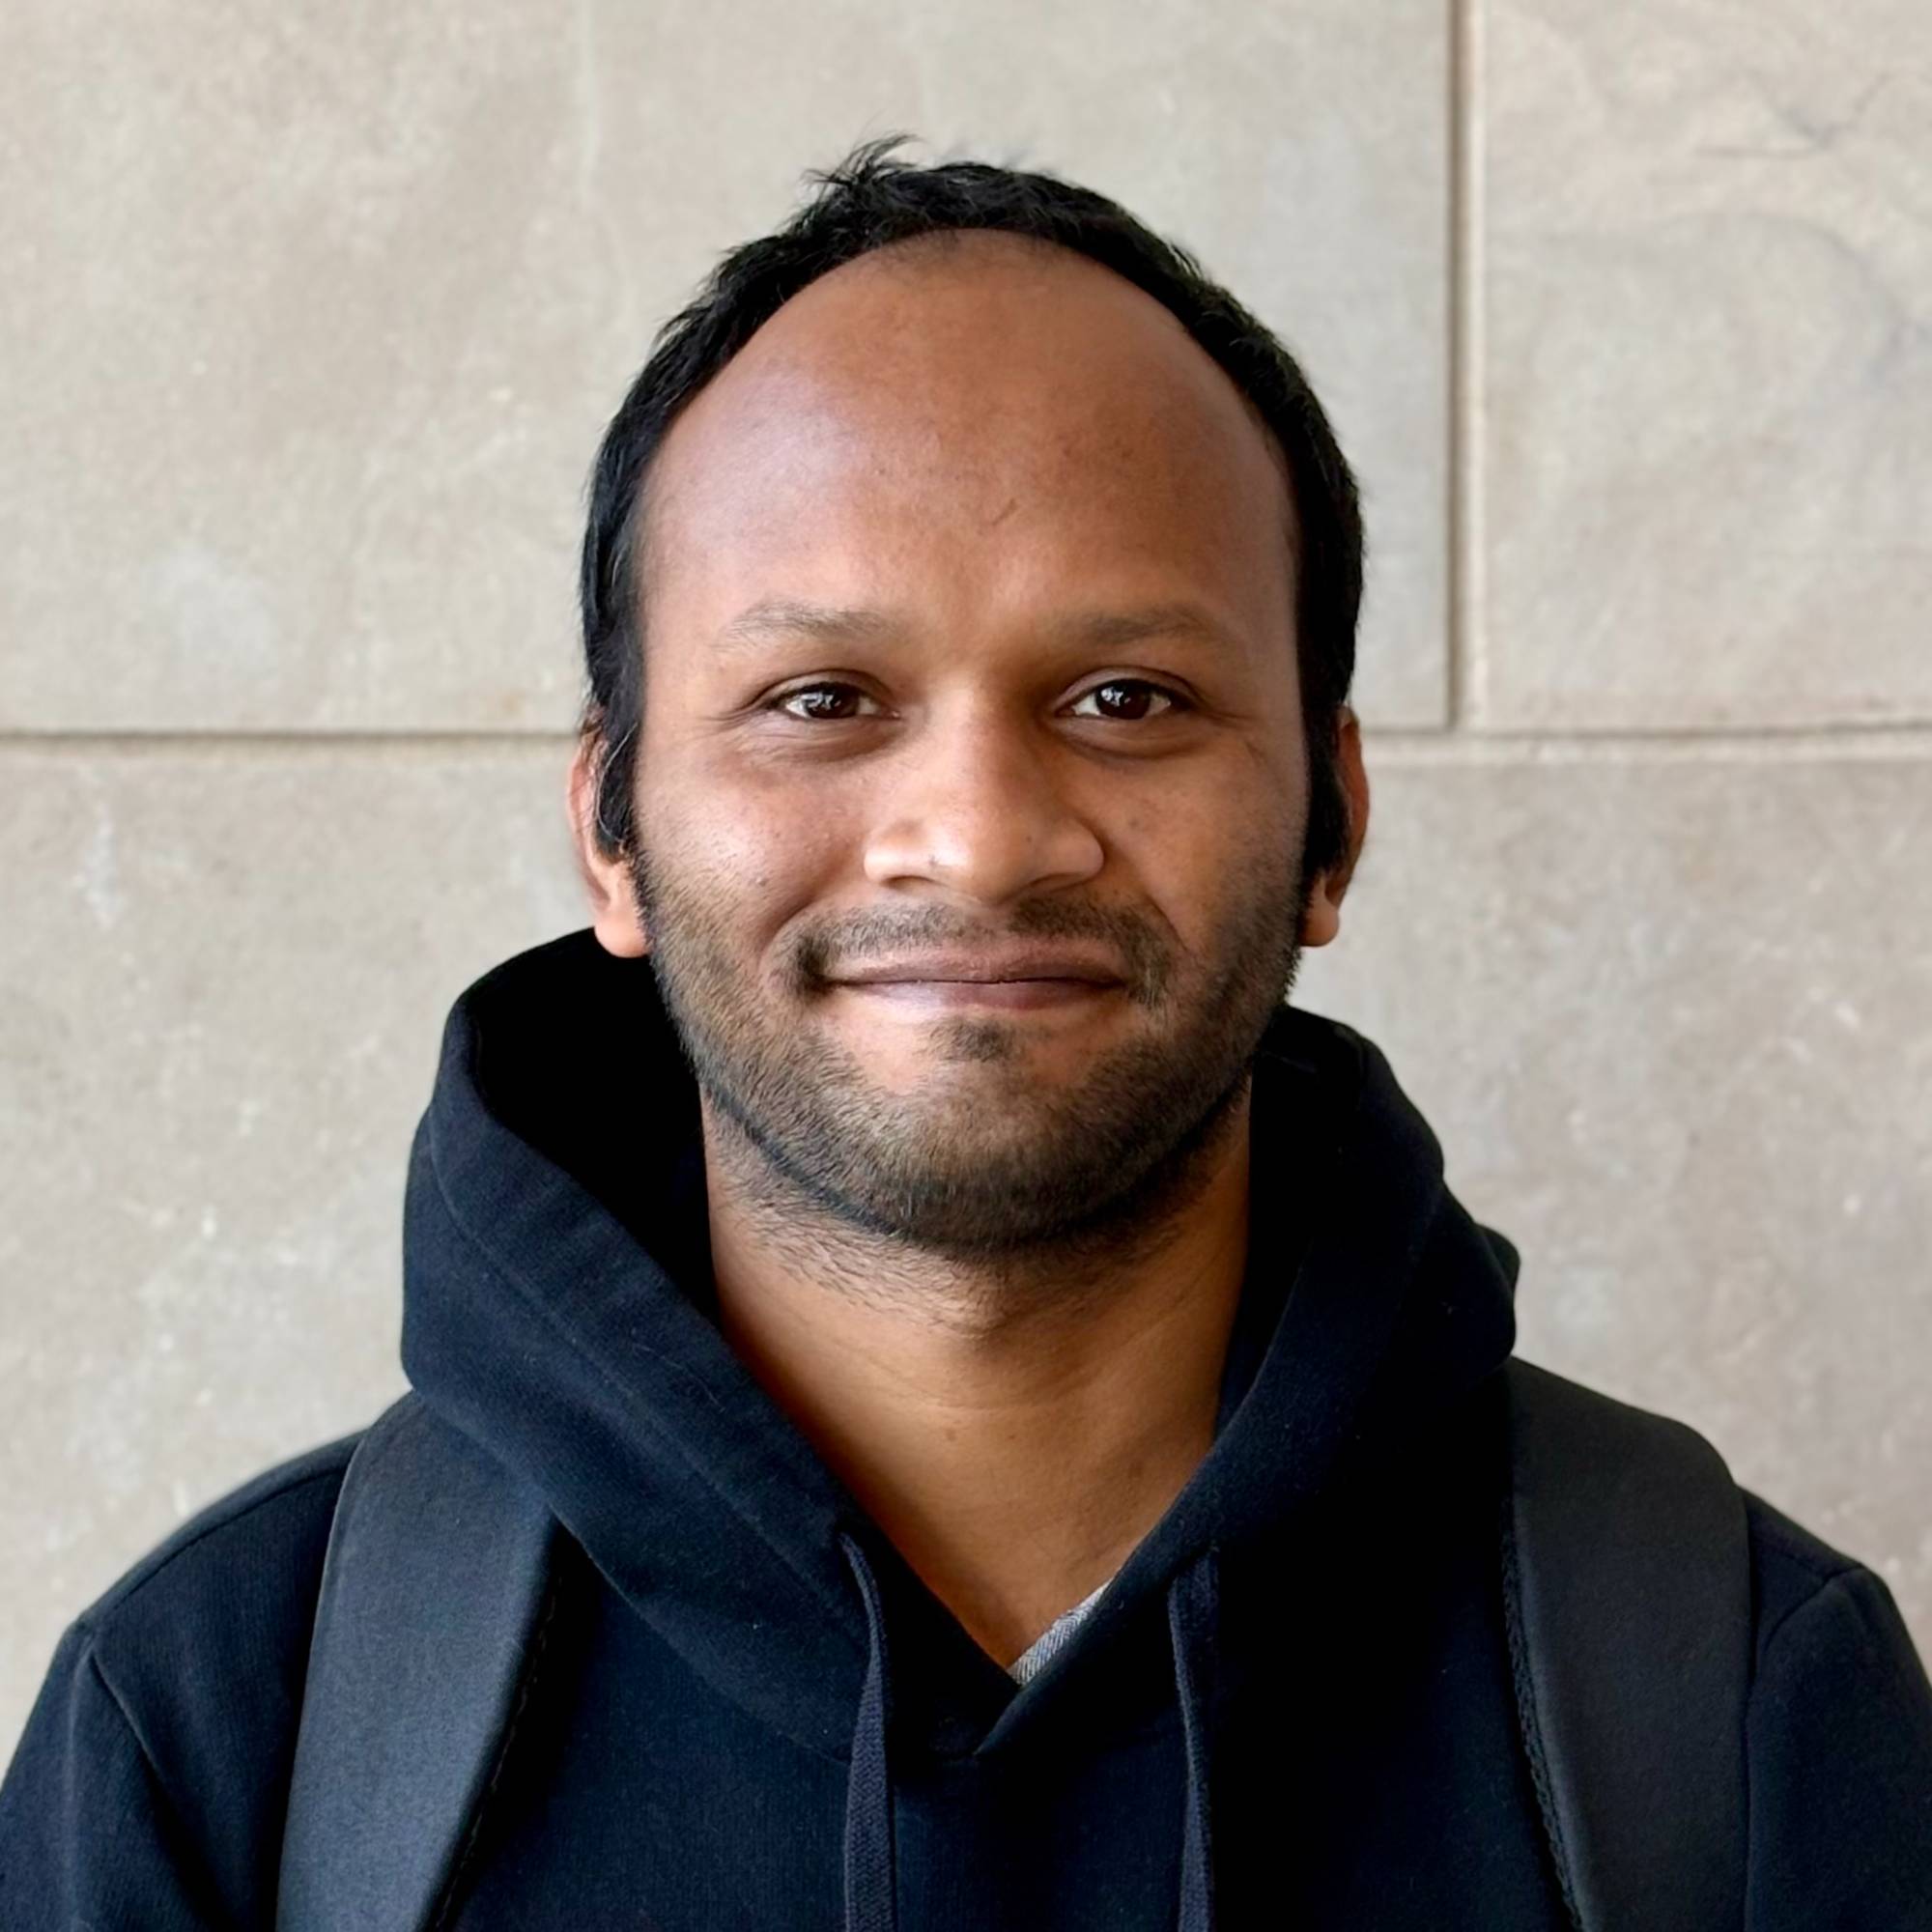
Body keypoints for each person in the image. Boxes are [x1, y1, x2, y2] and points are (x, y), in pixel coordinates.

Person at [3, 134, 1929, 1931]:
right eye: (823, 698)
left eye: (1124, 696)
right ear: (610, 828)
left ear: (1332, 820)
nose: (982, 835)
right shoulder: (221, 1729)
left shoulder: (1735, 1697)